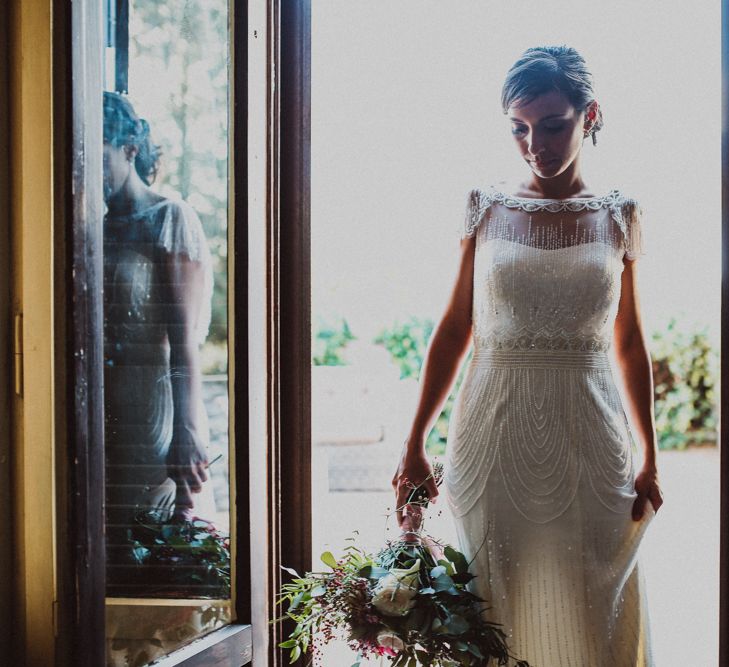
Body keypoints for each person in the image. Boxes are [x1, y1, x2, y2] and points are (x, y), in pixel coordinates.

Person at [392, 45, 663, 666]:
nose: (534, 144)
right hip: (494, 433)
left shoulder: (620, 215)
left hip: (590, 439)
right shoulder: (485, 207)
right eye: (519, 128)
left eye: (552, 125)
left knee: (593, 608)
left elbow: (628, 340)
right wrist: (415, 442)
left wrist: (650, 452)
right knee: (493, 608)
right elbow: (456, 326)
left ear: (589, 115)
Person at [102, 92, 214, 577]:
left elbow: (184, 340)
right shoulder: (90, 224)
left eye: (99, 155)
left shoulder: (168, 218)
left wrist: (188, 432)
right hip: (98, 404)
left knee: (149, 539)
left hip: (150, 404)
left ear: (129, 149)